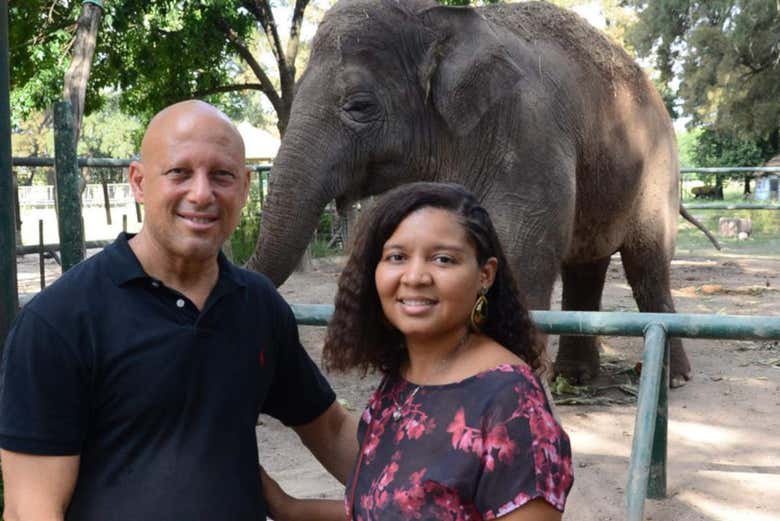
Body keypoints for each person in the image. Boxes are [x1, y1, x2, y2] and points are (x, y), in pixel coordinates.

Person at [0, 100, 357, 521]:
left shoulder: (256, 306)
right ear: (139, 181)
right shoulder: (61, 321)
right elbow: (30, 509)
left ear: (244, 186)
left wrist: (421, 490)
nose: (202, 193)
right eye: (179, 173)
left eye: (221, 175)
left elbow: (330, 429)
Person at [263, 182, 574, 520]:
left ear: (485, 274)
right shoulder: (404, 379)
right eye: (397, 257)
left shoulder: (511, 404)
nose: (415, 276)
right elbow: (392, 511)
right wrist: (287, 508)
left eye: (443, 259)